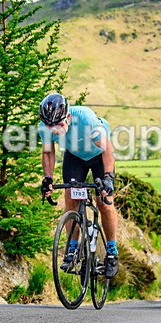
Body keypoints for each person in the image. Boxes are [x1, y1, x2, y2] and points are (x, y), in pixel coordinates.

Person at [38, 93, 119, 278]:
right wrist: (48, 178)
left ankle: (112, 251)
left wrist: (108, 177)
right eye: (50, 127)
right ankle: (72, 248)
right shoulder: (45, 127)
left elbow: (108, 149)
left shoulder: (86, 119)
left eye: (58, 125)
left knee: (104, 203)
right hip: (75, 157)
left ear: (67, 117)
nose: (54, 130)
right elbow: (48, 152)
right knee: (71, 198)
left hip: (99, 156)